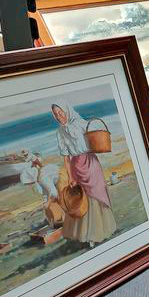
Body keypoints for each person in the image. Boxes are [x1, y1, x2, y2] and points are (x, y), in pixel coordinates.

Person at [51, 100, 116, 247]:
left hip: (91, 163)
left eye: (61, 112)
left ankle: (98, 232)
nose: (59, 116)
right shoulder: (60, 132)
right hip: (76, 167)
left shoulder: (81, 124)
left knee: (96, 194)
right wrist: (70, 177)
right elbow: (66, 158)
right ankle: (86, 234)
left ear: (67, 111)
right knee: (82, 198)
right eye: (56, 115)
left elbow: (95, 138)